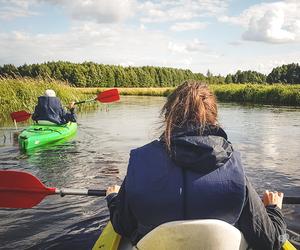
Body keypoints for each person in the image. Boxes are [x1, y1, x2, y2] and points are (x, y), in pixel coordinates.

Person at [106, 81, 286, 250]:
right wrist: (273, 209)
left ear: (168, 116)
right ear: (213, 118)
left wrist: (113, 198)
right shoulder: (232, 164)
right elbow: (270, 240)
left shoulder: (140, 160)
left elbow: (123, 225)